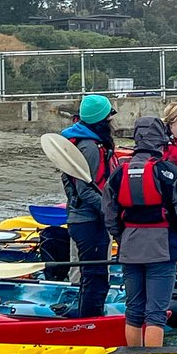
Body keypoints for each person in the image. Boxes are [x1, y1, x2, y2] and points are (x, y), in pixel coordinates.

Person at [102, 115, 177, 347]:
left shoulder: (118, 174)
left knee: (133, 310)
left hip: (130, 249)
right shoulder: (168, 172)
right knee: (156, 313)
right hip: (161, 249)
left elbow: (109, 213)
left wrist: (121, 238)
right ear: (160, 142)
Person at [59, 93, 117, 317]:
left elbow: (72, 183)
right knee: (95, 277)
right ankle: (90, 321)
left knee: (95, 276)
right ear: (102, 121)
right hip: (88, 221)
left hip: (85, 220)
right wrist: (111, 211)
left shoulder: (85, 143)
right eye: (109, 118)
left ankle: (91, 317)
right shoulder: (89, 147)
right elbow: (85, 190)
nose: (112, 122)